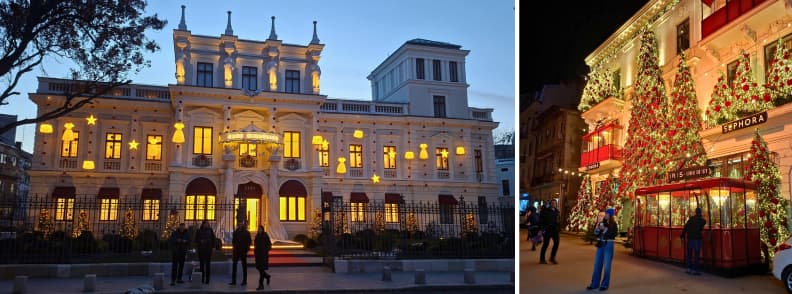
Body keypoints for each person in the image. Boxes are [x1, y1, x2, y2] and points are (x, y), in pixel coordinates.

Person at [587, 208, 618, 291]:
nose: (605, 215)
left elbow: (614, 234)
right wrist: (597, 229)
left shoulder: (613, 224)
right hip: (600, 244)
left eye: (607, 214)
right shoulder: (601, 222)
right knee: (597, 265)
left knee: (607, 266)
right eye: (605, 213)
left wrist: (605, 230)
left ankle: (604, 285)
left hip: (608, 245)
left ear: (610, 215)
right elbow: (596, 234)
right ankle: (594, 284)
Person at [681, 207, 706, 275]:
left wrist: (682, 235)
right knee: (696, 255)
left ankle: (688, 268)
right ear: (700, 213)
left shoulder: (691, 219)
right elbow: (704, 222)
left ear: (695, 212)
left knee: (689, 254)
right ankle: (695, 270)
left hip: (690, 238)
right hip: (697, 239)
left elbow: (686, 227)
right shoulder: (701, 220)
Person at [539, 199, 560, 264]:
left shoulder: (557, 211)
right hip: (547, 230)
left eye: (555, 203)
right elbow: (541, 220)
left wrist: (558, 227)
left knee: (556, 243)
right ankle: (542, 259)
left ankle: (552, 258)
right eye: (552, 203)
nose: (553, 204)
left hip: (555, 230)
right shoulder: (545, 211)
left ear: (556, 204)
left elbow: (558, 220)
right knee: (546, 244)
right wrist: (542, 229)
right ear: (550, 204)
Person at [254, 226, 272, 290]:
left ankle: (261, 285)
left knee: (261, 270)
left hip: (263, 256)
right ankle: (267, 276)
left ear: (263, 230)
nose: (259, 230)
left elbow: (269, 245)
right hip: (258, 256)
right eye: (259, 229)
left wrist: (265, 251)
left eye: (260, 229)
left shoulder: (265, 236)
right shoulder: (257, 236)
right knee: (259, 269)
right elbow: (255, 245)